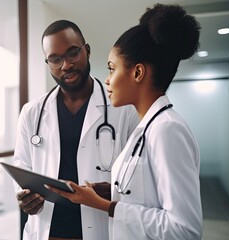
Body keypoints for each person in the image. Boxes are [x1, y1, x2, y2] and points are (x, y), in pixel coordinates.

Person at [46, 4, 203, 240]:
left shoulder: (167, 130)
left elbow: (185, 230)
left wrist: (105, 206)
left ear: (138, 73)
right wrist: (112, 192)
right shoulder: (147, 128)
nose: (107, 80)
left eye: (112, 69)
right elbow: (150, 195)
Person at [13, 20, 139, 240]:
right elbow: (22, 167)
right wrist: (25, 198)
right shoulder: (31, 112)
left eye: (72, 54)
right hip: (47, 230)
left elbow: (139, 177)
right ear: (48, 63)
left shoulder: (123, 109)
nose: (65, 65)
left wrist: (115, 190)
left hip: (103, 228)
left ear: (87, 51)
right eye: (55, 59)